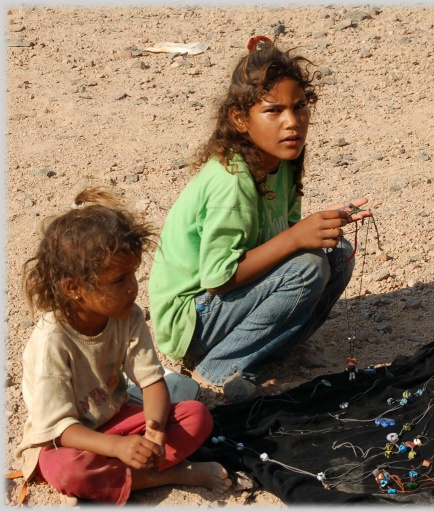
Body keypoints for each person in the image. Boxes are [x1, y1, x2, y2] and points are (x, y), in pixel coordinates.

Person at [148, 36, 372, 393]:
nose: (292, 122)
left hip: (226, 306)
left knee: (337, 252)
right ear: (240, 119)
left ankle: (269, 351)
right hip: (192, 321)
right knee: (308, 267)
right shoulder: (231, 180)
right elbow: (218, 278)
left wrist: (321, 225)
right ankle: (218, 367)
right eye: (273, 111)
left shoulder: (284, 160)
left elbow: (284, 233)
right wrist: (297, 237)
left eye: (299, 107)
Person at [14, 187, 231, 505]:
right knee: (68, 471)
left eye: (132, 275)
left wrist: (155, 429)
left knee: (196, 416)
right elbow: (58, 429)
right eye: (119, 280)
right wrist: (118, 448)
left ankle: (109, 482)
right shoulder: (52, 340)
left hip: (115, 419)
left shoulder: (126, 315)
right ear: (73, 287)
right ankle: (168, 475)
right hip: (66, 440)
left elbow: (151, 381)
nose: (133, 288)